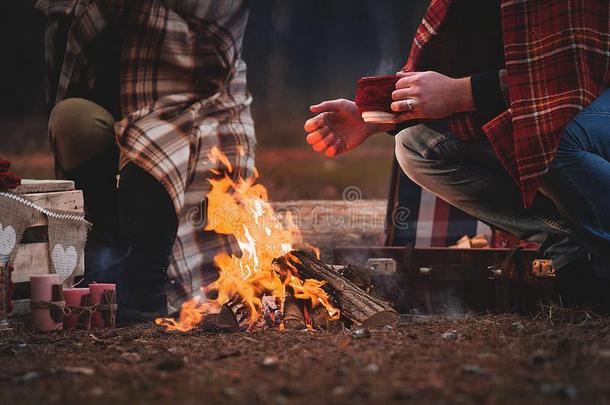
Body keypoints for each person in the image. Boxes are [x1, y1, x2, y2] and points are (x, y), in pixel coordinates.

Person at [305, 0, 610, 307]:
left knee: (548, 130)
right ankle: (569, 244)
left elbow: (567, 75)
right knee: (416, 145)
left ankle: (602, 258)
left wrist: (459, 93)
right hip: (550, 106)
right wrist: (377, 116)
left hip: (594, 96)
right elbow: (461, 70)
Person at [36, 0, 256, 322]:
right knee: (71, 120)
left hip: (195, 108)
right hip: (117, 108)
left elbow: (216, 12)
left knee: (150, 141)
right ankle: (101, 261)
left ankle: (144, 283)